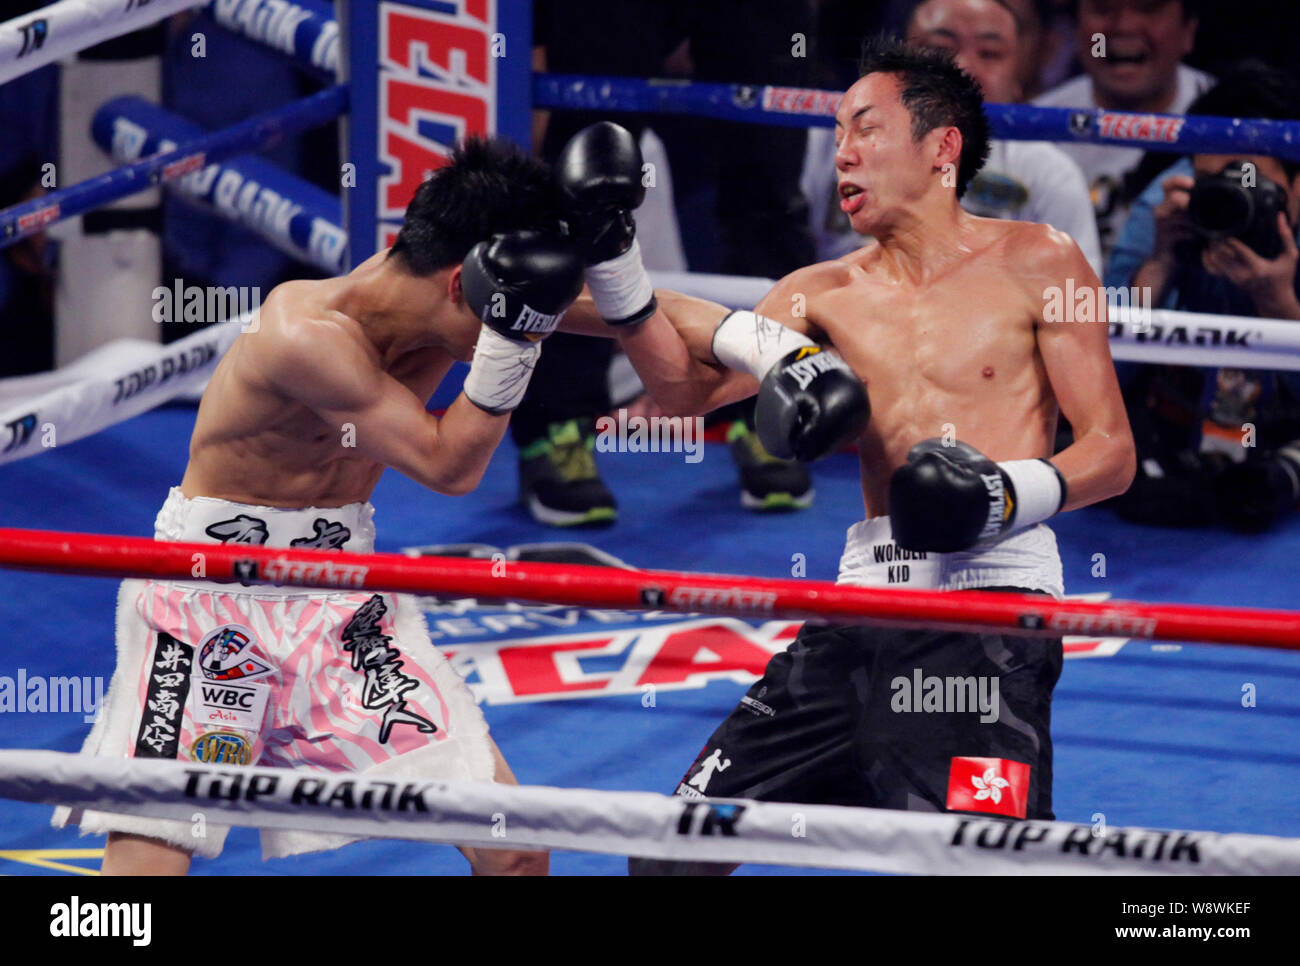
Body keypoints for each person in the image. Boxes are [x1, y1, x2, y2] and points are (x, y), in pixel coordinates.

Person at [551, 37, 1136, 874]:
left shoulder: (1040, 260)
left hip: (992, 610)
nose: (843, 151)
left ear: (942, 147)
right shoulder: (818, 291)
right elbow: (681, 393)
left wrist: (1003, 494)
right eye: (836, 131)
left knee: (984, 869)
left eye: (865, 127)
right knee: (672, 851)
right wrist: (613, 266)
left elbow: (1111, 452)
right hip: (858, 611)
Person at [52, 137, 586, 876]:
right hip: (208, 599)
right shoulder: (302, 335)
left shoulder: (454, 304)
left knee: (517, 850)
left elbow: (642, 314)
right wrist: (513, 342)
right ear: (467, 284)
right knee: (145, 876)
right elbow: (447, 465)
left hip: (337, 600)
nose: (524, 326)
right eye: (507, 313)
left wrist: (758, 342)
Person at [1105, 61, 1300, 531]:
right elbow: (1101, 375)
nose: (1229, 197)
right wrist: (1159, 263)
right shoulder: (1172, 206)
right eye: (1212, 179)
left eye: (1247, 180)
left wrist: (1278, 307)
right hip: (1185, 436)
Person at [803, 0, 1102, 275]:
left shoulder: (1048, 173)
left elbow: (1077, 305)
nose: (963, 67)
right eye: (941, 49)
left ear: (1017, 78)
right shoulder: (830, 140)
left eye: (989, 54)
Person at [1033, 0, 1212, 253]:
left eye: (1148, 9)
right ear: (1076, 31)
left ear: (1188, 31)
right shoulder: (1035, 127)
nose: (1124, 26)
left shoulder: (1231, 123)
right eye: (1103, 9)